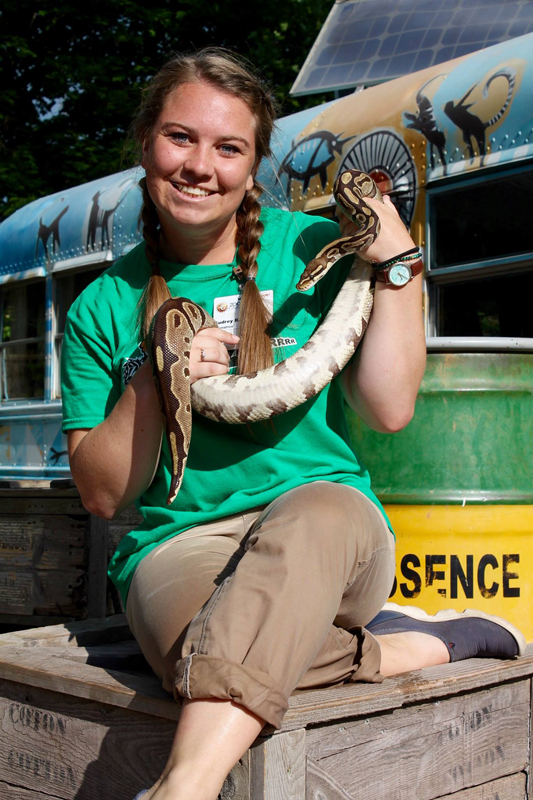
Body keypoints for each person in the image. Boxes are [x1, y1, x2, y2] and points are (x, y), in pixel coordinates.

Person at [61, 49, 524, 800]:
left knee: (299, 536)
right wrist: (156, 372)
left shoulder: (309, 246)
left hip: (327, 521)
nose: (198, 166)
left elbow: (387, 408)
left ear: (253, 165)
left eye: (227, 147)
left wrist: (397, 262)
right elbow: (106, 496)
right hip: (182, 544)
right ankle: (410, 646)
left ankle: (183, 788)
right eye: (179, 138)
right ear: (145, 141)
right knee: (208, 651)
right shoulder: (101, 307)